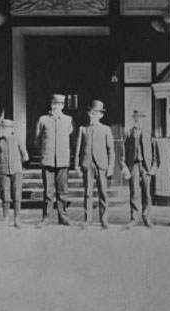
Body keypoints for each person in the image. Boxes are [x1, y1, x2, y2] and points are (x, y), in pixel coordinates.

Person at [75, 100, 115, 228]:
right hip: (87, 164)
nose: (93, 115)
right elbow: (78, 149)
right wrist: (77, 165)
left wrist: (110, 167)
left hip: (101, 165)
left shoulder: (106, 129)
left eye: (96, 113)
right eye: (91, 112)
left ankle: (104, 220)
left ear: (101, 115)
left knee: (103, 192)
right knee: (88, 192)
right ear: (88, 113)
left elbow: (111, 150)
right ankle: (88, 219)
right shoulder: (83, 129)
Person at [35, 93, 73, 226]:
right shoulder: (43, 120)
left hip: (62, 160)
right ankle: (46, 217)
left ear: (63, 106)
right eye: (55, 104)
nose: (57, 107)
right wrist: (44, 153)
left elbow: (70, 135)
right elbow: (37, 140)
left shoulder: (68, 120)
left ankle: (63, 217)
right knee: (48, 192)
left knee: (63, 190)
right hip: (48, 159)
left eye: (60, 104)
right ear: (51, 105)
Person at [121, 109, 160, 227]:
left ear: (144, 119)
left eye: (140, 117)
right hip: (133, 165)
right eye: (135, 117)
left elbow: (155, 152)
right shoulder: (128, 133)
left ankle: (146, 217)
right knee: (134, 192)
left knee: (147, 192)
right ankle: (134, 218)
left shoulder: (149, 133)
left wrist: (154, 167)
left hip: (146, 166)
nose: (138, 119)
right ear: (133, 119)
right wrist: (124, 167)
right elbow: (123, 152)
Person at [0, 118, 29, 228]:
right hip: (3, 172)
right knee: (5, 196)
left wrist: (18, 164)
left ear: (12, 129)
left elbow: (25, 156)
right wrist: (1, 163)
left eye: (8, 127)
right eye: (3, 128)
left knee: (17, 195)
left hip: (17, 172)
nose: (5, 130)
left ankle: (17, 218)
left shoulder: (18, 140)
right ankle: (6, 218)